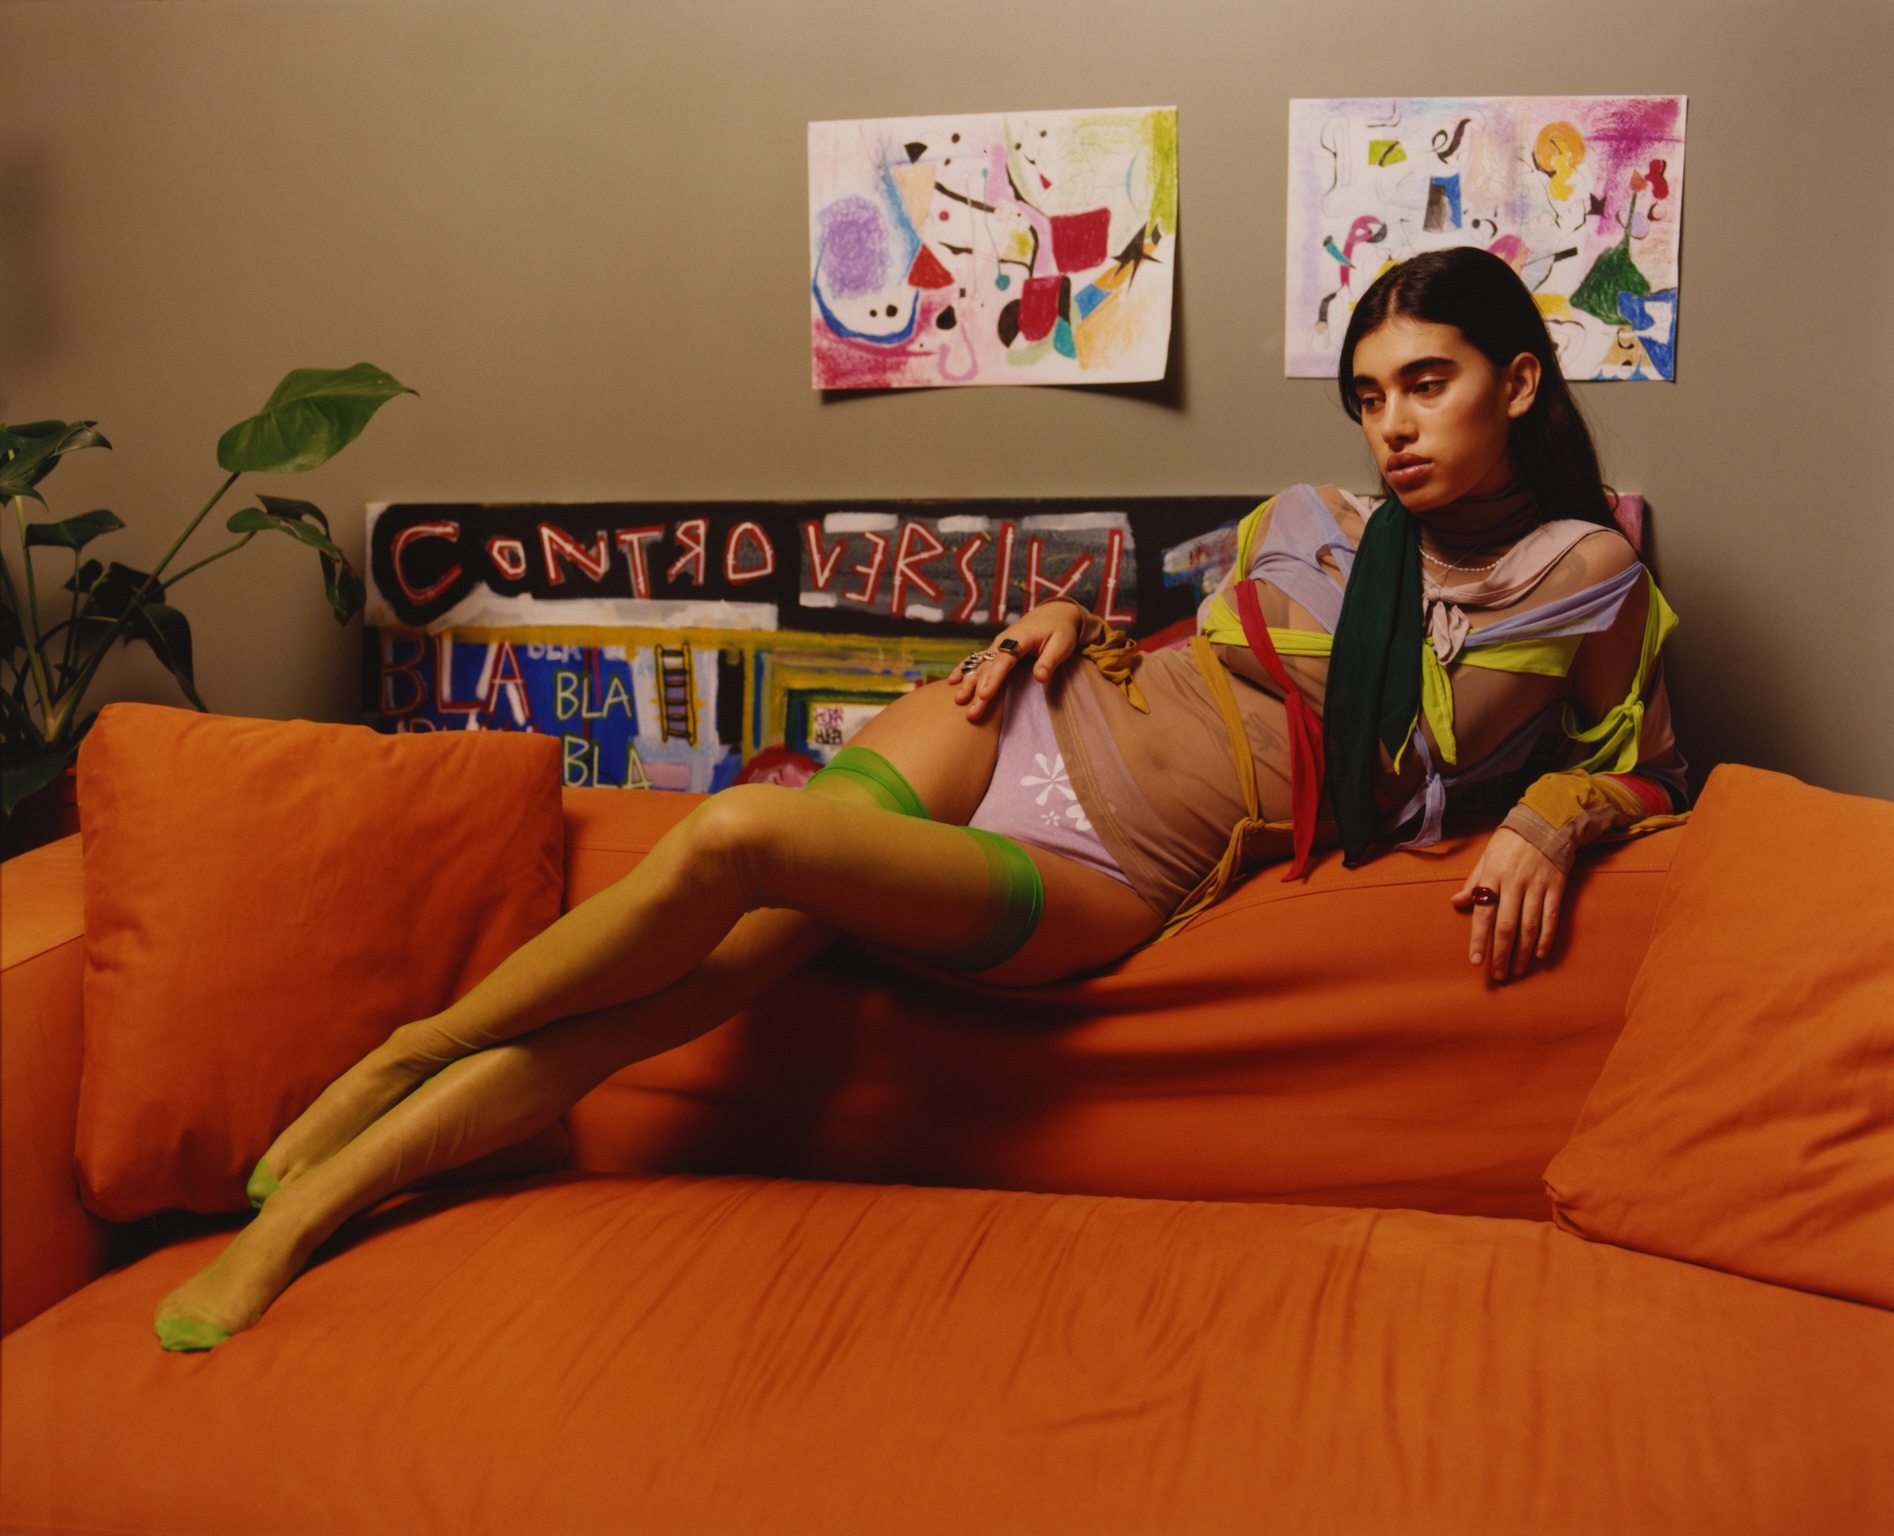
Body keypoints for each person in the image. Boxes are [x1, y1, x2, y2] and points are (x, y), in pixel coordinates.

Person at [154, 247, 1685, 1351]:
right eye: (1366, 395)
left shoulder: (1577, 571)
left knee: (737, 840)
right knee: (701, 980)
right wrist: (1069, 619)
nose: (1391, 424)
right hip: (1014, 720)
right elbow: (1194, 645)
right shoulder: (1310, 516)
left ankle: (397, 1076)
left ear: (1517, 383)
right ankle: (334, 1166)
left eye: (1426, 383)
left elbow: (1643, 759)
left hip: (1112, 868)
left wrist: (1549, 818)